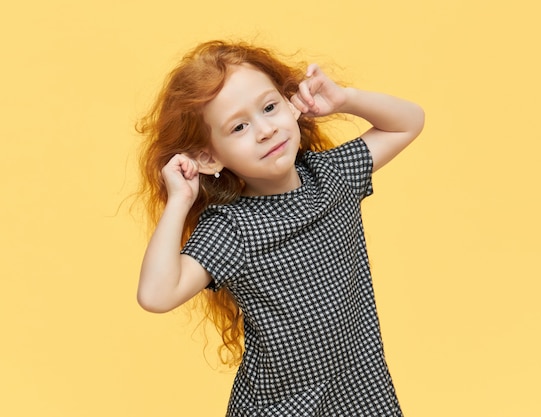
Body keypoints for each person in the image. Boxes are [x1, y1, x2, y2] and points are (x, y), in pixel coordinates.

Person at [136, 40, 425, 416]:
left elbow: (408, 122)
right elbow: (156, 295)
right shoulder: (233, 227)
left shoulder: (333, 178)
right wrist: (179, 201)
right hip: (282, 406)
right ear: (209, 156)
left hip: (359, 394)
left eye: (270, 108)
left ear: (292, 105)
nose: (266, 130)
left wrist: (345, 99)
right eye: (239, 126)